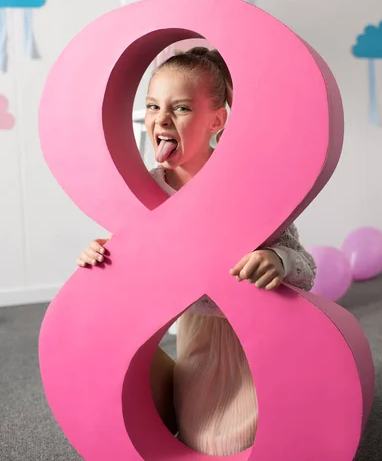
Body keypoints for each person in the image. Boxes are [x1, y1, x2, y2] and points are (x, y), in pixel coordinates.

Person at [76, 46, 316, 456]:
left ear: (216, 120)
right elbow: (136, 266)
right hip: (196, 337)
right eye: (152, 106)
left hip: (253, 335)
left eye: (181, 108)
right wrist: (103, 256)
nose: (162, 119)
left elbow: (306, 270)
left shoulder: (247, 190)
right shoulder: (141, 190)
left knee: (246, 441)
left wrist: (277, 259)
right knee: (201, 439)